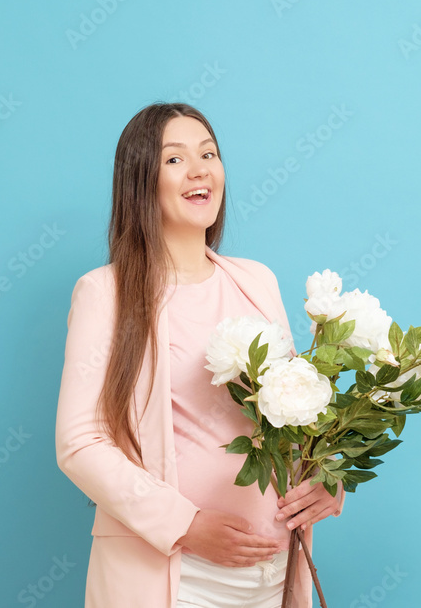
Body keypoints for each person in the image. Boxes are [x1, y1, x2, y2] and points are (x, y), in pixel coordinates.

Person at [55, 102, 345, 608]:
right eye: (175, 159)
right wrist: (184, 525)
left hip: (273, 574)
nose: (199, 170)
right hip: (177, 577)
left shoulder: (256, 280)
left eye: (208, 154)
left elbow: (297, 415)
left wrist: (326, 480)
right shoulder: (106, 293)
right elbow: (80, 443)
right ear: (140, 180)